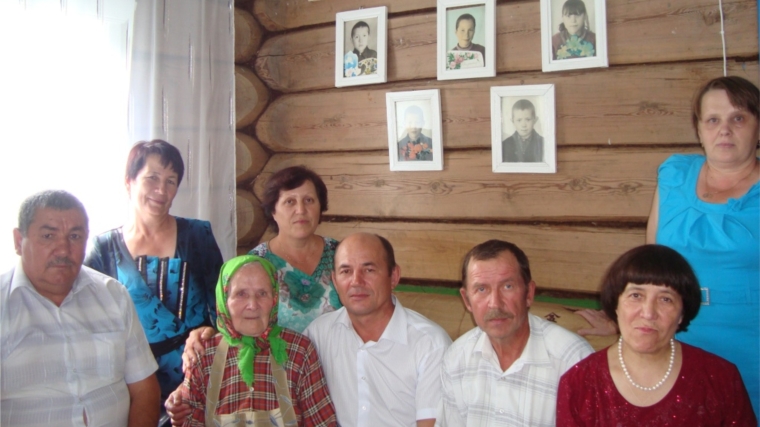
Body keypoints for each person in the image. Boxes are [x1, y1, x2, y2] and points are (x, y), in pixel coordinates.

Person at [577, 76, 760, 415]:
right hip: (673, 336)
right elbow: (652, 268)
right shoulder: (674, 174)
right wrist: (622, 323)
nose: (724, 129)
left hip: (750, 343)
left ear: (757, 126)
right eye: (713, 120)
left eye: (738, 118)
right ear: (699, 129)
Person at [1, 190, 160, 427]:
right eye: (48, 236)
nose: (63, 250)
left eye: (74, 236)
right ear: (18, 241)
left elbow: (145, 390)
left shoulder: (113, 296)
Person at [85, 139, 224, 400]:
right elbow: (89, 322)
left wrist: (209, 332)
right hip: (128, 380)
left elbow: (223, 307)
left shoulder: (198, 235)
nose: (161, 189)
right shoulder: (103, 250)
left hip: (195, 375)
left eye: (171, 181)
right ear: (129, 182)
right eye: (152, 178)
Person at [557, 245, 756, 425]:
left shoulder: (721, 378)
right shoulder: (578, 382)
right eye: (636, 295)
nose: (648, 313)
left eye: (665, 299)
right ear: (616, 305)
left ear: (682, 313)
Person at [437, 239, 593, 427]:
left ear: (529, 294)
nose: (495, 303)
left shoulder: (573, 361)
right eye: (481, 289)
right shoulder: (457, 358)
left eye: (507, 286)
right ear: (467, 300)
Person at [305, 232, 452, 427]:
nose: (356, 281)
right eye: (346, 271)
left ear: (394, 277)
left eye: (369, 270)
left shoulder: (430, 344)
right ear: (334, 280)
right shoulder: (318, 335)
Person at [177, 255, 337, 426]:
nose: (253, 305)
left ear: (274, 298)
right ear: (224, 300)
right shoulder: (203, 354)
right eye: (241, 294)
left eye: (262, 293)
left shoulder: (299, 351)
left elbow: (322, 423)